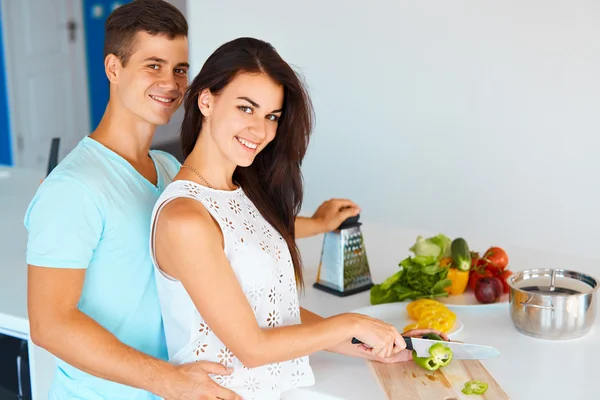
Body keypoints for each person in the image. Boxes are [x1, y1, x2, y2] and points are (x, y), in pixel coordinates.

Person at [23, 2, 366, 399]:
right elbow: (50, 324)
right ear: (114, 69)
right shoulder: (73, 188)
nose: (170, 82)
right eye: (153, 65)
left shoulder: (169, 169)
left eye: (180, 69)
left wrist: (317, 226)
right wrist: (167, 380)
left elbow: (229, 237)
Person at [150, 37, 447, 400]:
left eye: (271, 116)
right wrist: (351, 322)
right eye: (246, 108)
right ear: (207, 100)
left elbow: (274, 311)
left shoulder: (245, 194)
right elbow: (252, 347)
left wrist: (375, 342)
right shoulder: (185, 218)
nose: (260, 131)